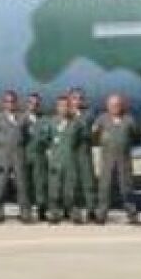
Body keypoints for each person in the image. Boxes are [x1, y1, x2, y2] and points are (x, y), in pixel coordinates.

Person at [92, 93, 139, 224]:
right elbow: (94, 135)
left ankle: (132, 214)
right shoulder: (101, 119)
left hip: (124, 159)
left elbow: (136, 136)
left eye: (118, 105)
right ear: (107, 106)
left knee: (126, 187)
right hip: (107, 159)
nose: (115, 107)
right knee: (104, 187)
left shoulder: (129, 120)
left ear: (122, 106)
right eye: (112, 105)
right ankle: (101, 214)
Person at [0, 90, 30, 223]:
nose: (10, 104)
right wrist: (0, 146)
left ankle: (25, 212)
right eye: (7, 101)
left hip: (18, 154)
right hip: (3, 155)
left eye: (12, 101)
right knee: (1, 185)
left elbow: (27, 135)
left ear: (16, 103)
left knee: (21, 185)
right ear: (3, 103)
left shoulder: (22, 118)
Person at [47, 95, 83, 224]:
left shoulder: (76, 123)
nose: (63, 108)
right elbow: (46, 139)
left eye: (66, 106)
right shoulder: (51, 123)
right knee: (54, 187)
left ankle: (73, 212)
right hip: (56, 159)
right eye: (61, 106)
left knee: (71, 187)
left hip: (70, 159)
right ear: (57, 108)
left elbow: (80, 140)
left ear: (70, 107)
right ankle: (54, 213)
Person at [69, 88, 97, 217]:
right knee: (72, 182)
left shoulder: (88, 114)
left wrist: (77, 117)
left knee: (88, 181)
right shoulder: (66, 114)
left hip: (84, 151)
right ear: (70, 100)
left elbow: (87, 129)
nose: (77, 101)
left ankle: (91, 209)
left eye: (80, 98)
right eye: (75, 98)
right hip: (70, 152)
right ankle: (74, 210)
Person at [23, 92, 50, 218]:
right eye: (31, 103)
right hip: (25, 155)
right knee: (25, 183)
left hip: (39, 155)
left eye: (36, 103)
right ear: (27, 104)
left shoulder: (44, 120)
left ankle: (41, 208)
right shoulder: (21, 119)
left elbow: (48, 137)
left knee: (40, 183)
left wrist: (38, 137)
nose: (33, 105)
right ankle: (26, 209)